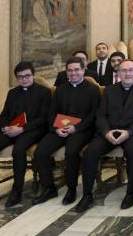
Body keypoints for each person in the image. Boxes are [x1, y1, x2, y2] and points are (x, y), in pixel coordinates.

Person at [75, 59, 133, 212]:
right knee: (90, 152)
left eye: (131, 70)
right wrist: (106, 132)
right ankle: (87, 195)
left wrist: (129, 132)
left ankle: (130, 193)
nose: (127, 73)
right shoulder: (109, 90)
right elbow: (101, 115)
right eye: (123, 70)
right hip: (110, 132)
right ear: (118, 73)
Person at [0, 62, 51, 208]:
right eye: (20, 77)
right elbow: (4, 114)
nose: (24, 79)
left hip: (32, 130)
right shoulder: (12, 93)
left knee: (18, 150)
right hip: (11, 129)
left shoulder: (44, 92)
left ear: (33, 75)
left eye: (27, 76)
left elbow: (43, 118)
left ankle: (17, 191)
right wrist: (5, 127)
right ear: (17, 78)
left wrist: (22, 129)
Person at [33, 57, 101, 205]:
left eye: (77, 69)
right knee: (41, 152)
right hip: (60, 128)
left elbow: (94, 115)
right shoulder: (61, 89)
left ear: (83, 70)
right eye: (69, 70)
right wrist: (56, 129)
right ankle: (49, 188)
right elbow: (52, 112)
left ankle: (71, 188)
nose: (73, 73)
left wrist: (76, 128)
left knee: (71, 152)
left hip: (82, 130)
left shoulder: (93, 90)